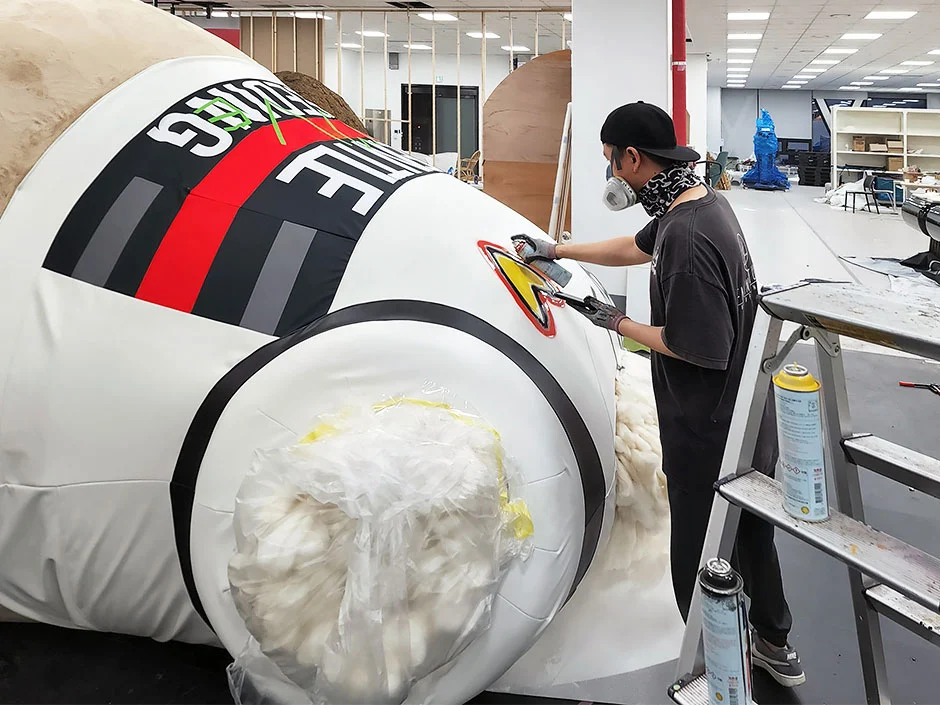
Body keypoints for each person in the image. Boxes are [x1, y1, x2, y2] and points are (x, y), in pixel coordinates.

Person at [513, 101, 804, 688]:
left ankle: (712, 670)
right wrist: (557, 251)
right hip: (748, 416)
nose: (611, 175)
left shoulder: (686, 240)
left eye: (611, 162)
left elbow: (696, 348)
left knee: (695, 555)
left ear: (633, 158)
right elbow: (635, 246)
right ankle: (775, 644)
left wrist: (614, 322)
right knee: (751, 533)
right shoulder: (700, 204)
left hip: (706, 428)